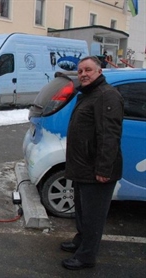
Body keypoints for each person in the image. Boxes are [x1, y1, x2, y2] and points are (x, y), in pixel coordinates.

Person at [61, 56, 124, 270]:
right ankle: (81, 242)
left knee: (93, 216)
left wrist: (104, 169)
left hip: (97, 170)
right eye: (80, 71)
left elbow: (109, 135)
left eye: (88, 70)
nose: (83, 74)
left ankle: (86, 257)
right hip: (83, 167)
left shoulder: (106, 96)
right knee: (82, 210)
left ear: (99, 71)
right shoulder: (89, 94)